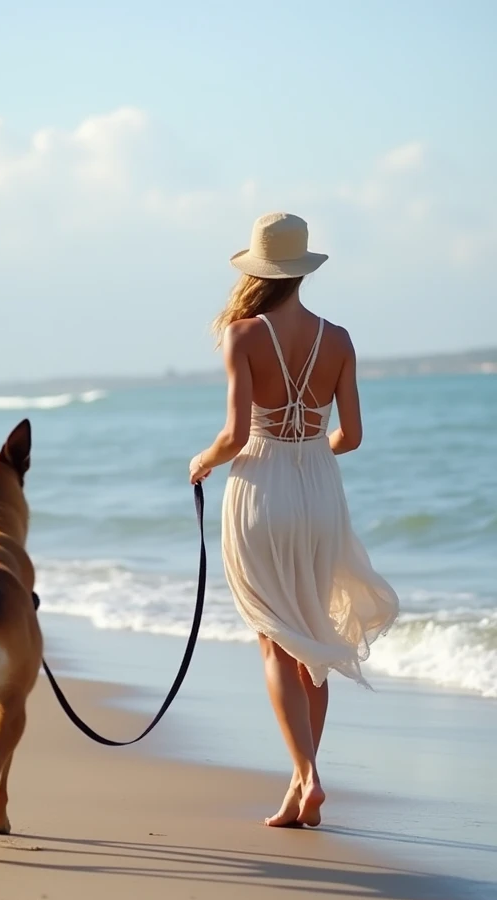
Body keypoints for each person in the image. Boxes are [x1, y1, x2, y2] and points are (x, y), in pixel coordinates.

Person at [189, 213, 399, 828]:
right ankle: (300, 783)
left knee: (276, 640)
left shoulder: (242, 334)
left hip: (260, 489)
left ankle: (307, 776)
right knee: (312, 638)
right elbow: (352, 437)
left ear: (256, 269)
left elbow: (232, 436)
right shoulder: (339, 338)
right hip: (319, 494)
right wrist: (309, 454)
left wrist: (200, 463)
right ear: (301, 270)